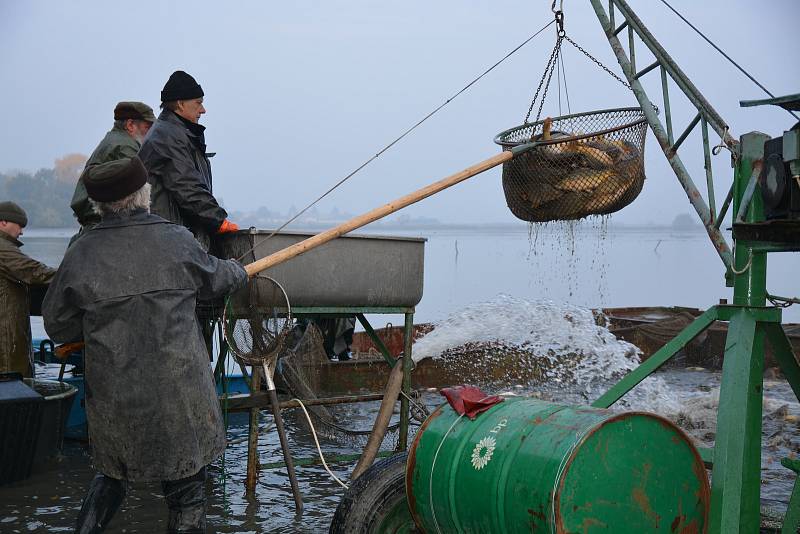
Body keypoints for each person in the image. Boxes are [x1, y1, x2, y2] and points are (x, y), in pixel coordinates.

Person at [42, 157, 248, 533]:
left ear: (99, 204)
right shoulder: (177, 240)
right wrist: (240, 269)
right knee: (187, 491)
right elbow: (220, 278)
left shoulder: (81, 253)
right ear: (145, 193)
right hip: (180, 395)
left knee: (111, 475)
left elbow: (57, 324)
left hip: (114, 398)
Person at [138, 70, 239, 250]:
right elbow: (187, 185)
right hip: (168, 241)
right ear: (180, 104)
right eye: (198, 103)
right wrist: (218, 221)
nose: (203, 110)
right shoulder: (166, 136)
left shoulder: (177, 133)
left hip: (178, 237)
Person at [70, 101, 156, 236]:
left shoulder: (113, 140)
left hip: (94, 224)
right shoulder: (126, 146)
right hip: (104, 225)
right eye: (147, 127)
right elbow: (134, 193)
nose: (151, 133)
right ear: (130, 125)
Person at [0, 202, 57, 378]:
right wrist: (71, 276)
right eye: (20, 225)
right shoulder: (3, 249)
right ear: (3, 222)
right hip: (5, 337)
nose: (22, 232)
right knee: (12, 385)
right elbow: (34, 271)